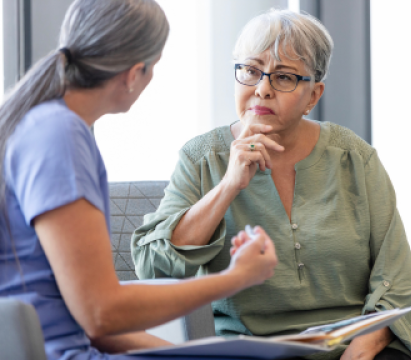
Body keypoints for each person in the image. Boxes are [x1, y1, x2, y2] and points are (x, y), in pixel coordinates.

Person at [132, 9, 411, 360]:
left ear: (313, 96)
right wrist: (228, 185)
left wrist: (363, 350)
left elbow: (396, 276)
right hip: (251, 352)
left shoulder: (354, 158)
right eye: (251, 71)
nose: (262, 89)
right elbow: (153, 268)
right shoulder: (201, 158)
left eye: (284, 77)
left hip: (355, 348)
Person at [0, 1, 278, 359]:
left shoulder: (40, 125)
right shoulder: (60, 136)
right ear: (134, 74)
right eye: (154, 69)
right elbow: (102, 313)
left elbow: (93, 322)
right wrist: (236, 278)